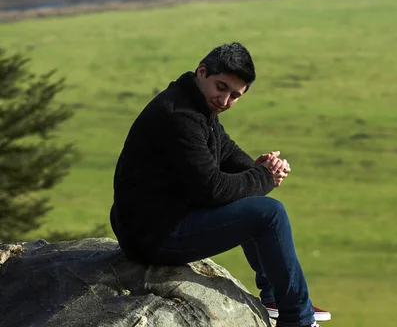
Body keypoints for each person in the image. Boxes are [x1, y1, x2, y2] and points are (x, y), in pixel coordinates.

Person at [109, 42, 330, 327]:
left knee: (255, 203)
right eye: (221, 87)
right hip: (153, 235)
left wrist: (259, 168)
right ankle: (298, 319)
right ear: (202, 71)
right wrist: (264, 177)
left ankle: (276, 298)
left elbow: (224, 150)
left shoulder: (195, 102)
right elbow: (212, 190)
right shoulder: (179, 115)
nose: (225, 101)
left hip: (156, 221)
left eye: (235, 95)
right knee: (268, 214)